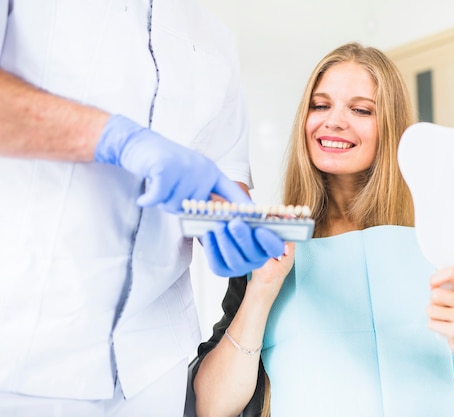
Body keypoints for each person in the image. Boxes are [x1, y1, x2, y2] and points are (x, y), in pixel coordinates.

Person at [192, 42, 454, 417]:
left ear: (389, 126)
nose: (334, 121)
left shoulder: (443, 242)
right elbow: (213, 407)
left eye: (360, 109)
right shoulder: (273, 245)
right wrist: (261, 291)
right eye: (320, 105)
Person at [0, 1, 284, 416]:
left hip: (156, 364)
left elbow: (225, 180)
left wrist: (232, 226)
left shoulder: (215, 39)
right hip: (26, 345)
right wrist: (114, 139)